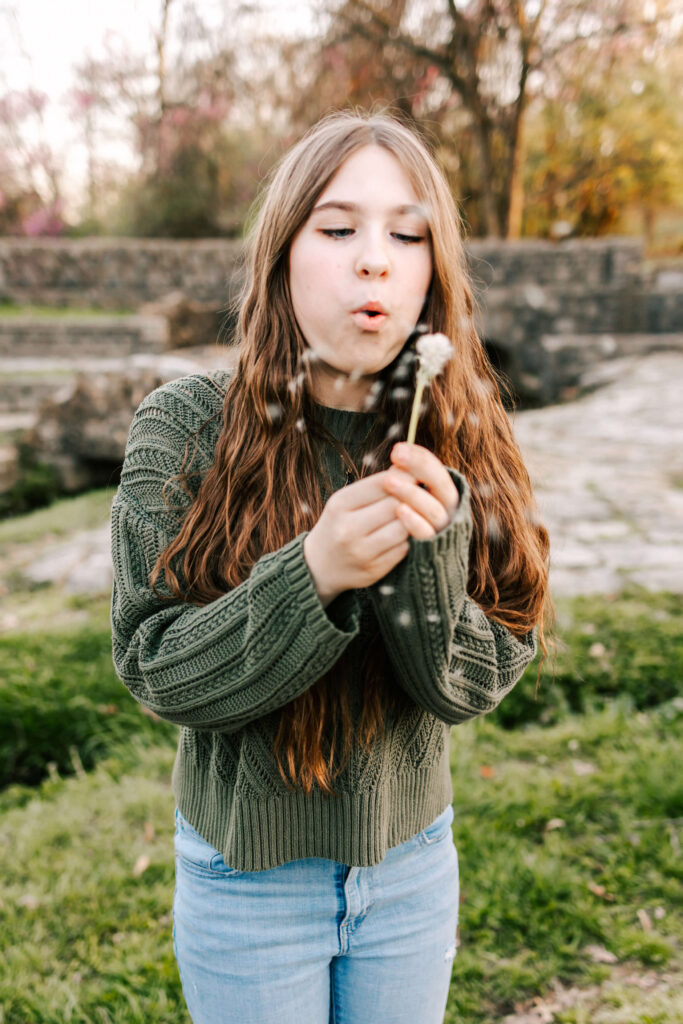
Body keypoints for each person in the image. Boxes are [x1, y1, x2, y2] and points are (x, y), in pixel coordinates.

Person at [110, 110, 551, 1024]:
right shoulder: (185, 427)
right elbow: (157, 672)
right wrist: (311, 572)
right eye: (338, 227)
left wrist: (423, 565)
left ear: (435, 269)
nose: (374, 260)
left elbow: (482, 675)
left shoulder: (466, 430)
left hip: (411, 866)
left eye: (407, 233)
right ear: (282, 255)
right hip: (246, 877)